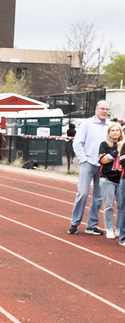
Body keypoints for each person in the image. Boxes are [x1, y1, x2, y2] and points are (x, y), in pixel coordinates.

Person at [68, 99, 110, 236]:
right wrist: (83, 159)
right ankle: (75, 223)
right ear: (96, 109)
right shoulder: (87, 124)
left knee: (98, 197)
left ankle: (92, 225)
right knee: (83, 193)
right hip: (88, 163)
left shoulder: (110, 125)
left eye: (107, 109)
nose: (104, 111)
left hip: (103, 165)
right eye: (102, 109)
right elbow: (77, 143)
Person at [96, 122, 123, 240]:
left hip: (122, 179)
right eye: (113, 130)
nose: (115, 132)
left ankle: (119, 228)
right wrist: (117, 151)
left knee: (122, 206)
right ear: (109, 133)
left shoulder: (124, 144)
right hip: (107, 179)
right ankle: (108, 228)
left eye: (117, 130)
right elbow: (103, 160)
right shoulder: (104, 145)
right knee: (109, 205)